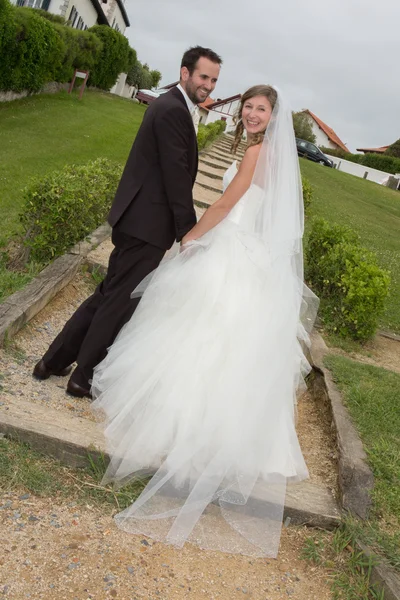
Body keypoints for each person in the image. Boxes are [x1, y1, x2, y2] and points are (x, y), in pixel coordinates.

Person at [91, 85, 319, 558]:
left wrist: (189, 238)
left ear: (273, 118)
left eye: (262, 109)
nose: (253, 114)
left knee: (204, 335)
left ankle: (184, 430)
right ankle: (229, 439)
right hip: (252, 254)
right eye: (249, 107)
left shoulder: (258, 155)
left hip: (231, 249)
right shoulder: (271, 158)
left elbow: (224, 205)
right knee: (227, 343)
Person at [32, 46, 222, 398]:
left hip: (138, 220)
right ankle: (83, 378)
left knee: (107, 294)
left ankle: (54, 361)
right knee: (117, 302)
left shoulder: (174, 107)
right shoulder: (172, 111)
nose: (208, 85)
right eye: (203, 76)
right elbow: (175, 176)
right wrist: (188, 232)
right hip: (147, 224)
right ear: (185, 73)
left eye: (213, 79)